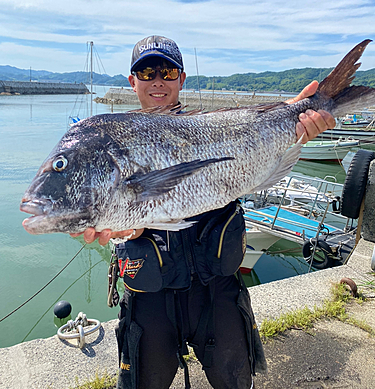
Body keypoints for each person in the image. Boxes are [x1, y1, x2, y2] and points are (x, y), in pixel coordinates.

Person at [73, 35, 335, 389]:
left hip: (217, 289)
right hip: (151, 299)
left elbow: (252, 151)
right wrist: (126, 229)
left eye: (167, 71)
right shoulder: (117, 140)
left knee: (236, 382)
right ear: (132, 81)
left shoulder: (214, 126)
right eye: (146, 72)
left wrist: (293, 124)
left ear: (182, 78)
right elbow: (130, 222)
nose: (158, 81)